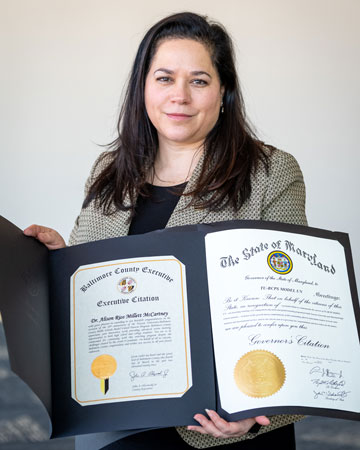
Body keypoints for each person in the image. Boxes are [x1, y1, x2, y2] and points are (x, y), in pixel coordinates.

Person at [24, 11, 306, 450]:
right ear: (143, 88)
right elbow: (95, 295)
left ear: (224, 91)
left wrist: (252, 415)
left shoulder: (270, 171)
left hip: (222, 421)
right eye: (164, 78)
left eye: (198, 80)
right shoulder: (109, 172)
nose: (180, 96)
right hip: (117, 408)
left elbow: (291, 305)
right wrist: (61, 262)